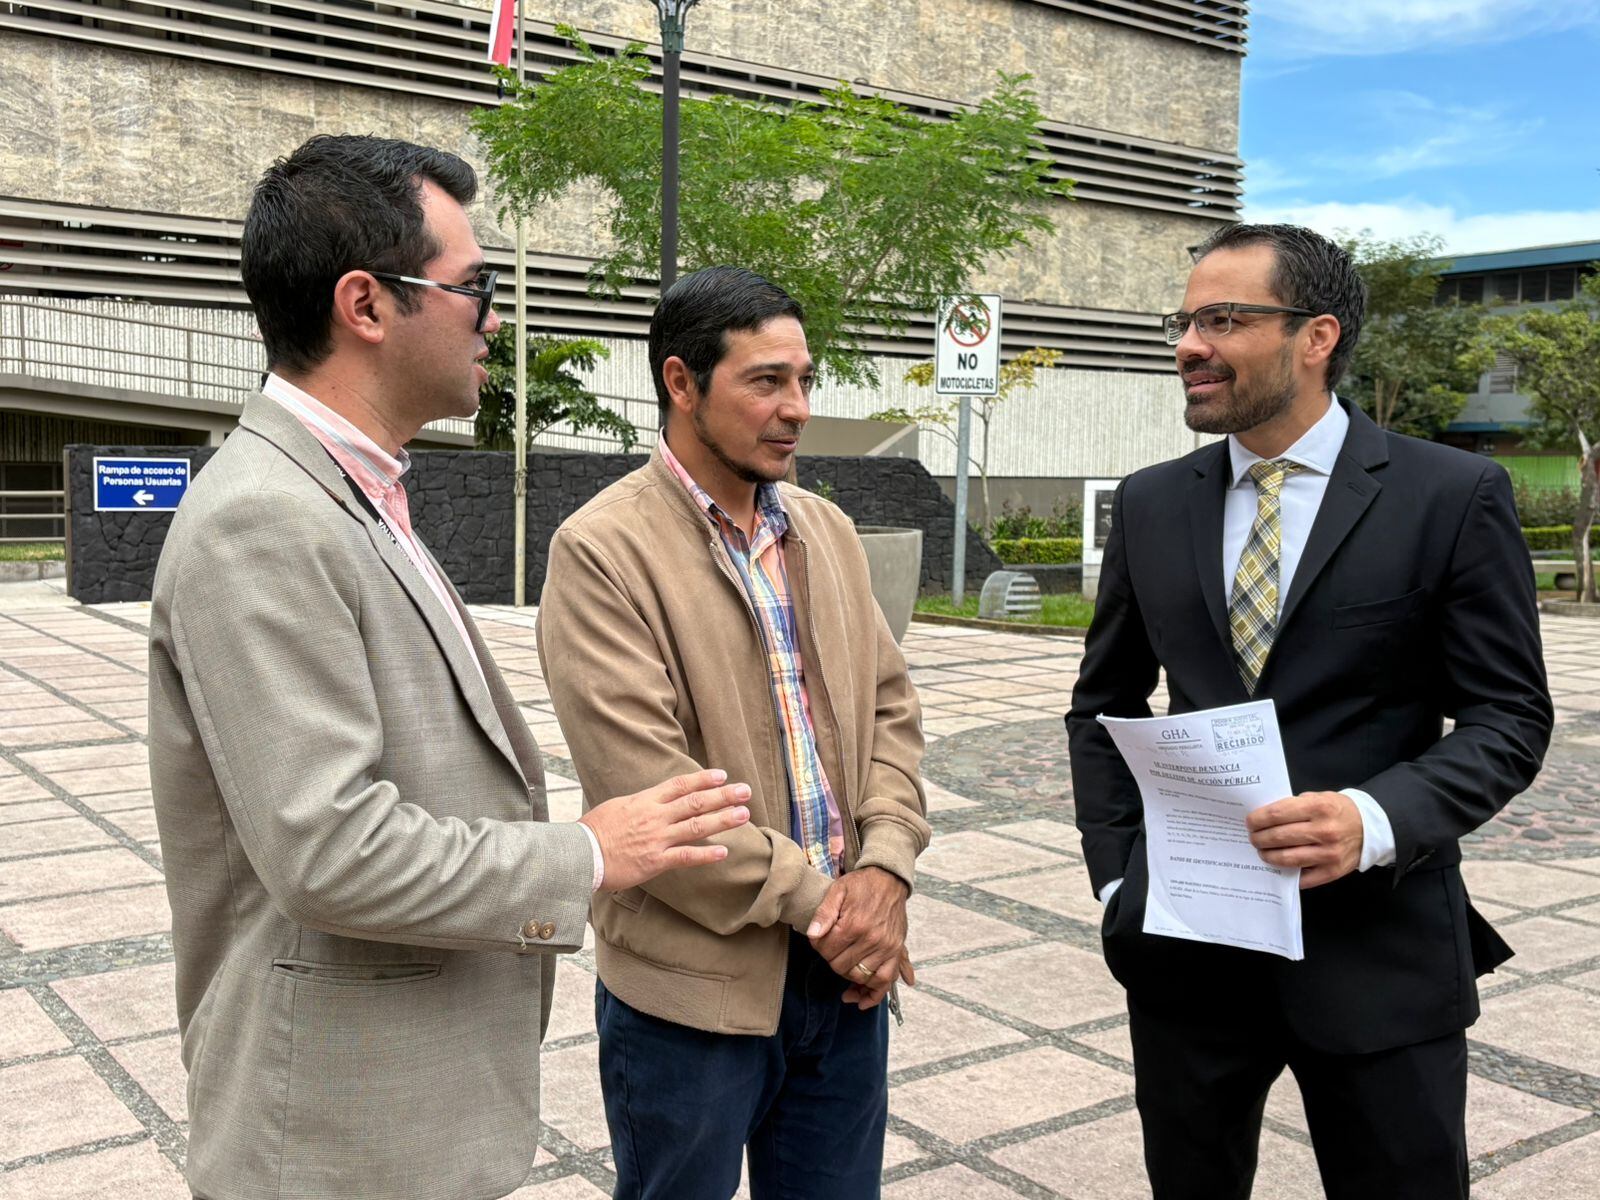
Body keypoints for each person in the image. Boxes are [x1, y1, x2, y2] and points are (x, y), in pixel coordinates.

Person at [147, 135, 753, 1200]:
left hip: (393, 1120)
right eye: (472, 290)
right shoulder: (264, 519)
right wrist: (584, 855)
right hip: (335, 1144)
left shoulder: (350, 494)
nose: (496, 321)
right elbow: (327, 849)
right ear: (366, 306)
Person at [1066, 223, 1552, 1200]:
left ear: (1316, 335)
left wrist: (1375, 819)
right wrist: (1121, 880)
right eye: (1184, 320)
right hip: (1187, 957)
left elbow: (1508, 718)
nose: (1188, 345)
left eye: (1222, 319)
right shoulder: (1153, 503)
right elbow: (1103, 703)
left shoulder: (1450, 495)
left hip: (1378, 952)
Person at [536, 265, 930, 1200]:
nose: (795, 408)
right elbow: (654, 798)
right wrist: (835, 910)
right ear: (681, 382)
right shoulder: (601, 550)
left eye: (804, 380)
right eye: (765, 382)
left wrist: (886, 869)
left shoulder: (825, 530)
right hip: (691, 997)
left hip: (843, 986)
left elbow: (891, 712)